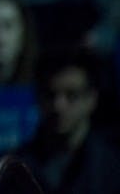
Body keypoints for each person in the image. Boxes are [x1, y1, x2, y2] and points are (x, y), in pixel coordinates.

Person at [9, 49, 120, 194]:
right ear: (38, 96)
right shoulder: (13, 169)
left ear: (92, 99)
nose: (58, 106)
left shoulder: (113, 167)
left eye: (71, 95)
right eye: (50, 95)